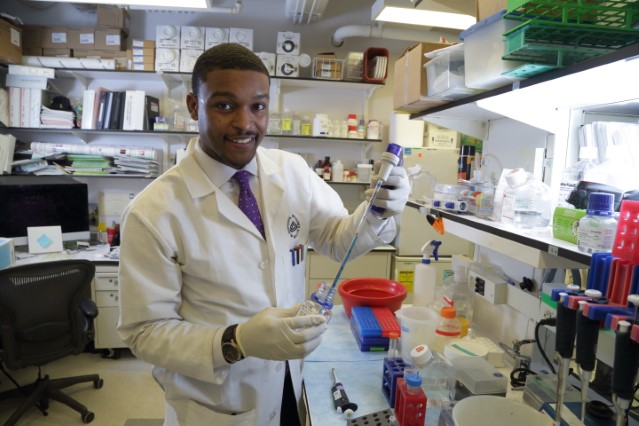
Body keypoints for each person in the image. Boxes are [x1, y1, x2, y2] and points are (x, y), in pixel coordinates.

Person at [117, 43, 409, 426]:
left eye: (258, 106)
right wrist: (236, 341)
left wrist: (378, 209)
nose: (245, 123)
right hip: (220, 403)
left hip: (290, 381)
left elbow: (339, 240)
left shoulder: (292, 172)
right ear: (193, 106)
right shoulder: (152, 211)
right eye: (225, 106)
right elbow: (146, 333)